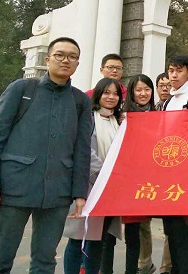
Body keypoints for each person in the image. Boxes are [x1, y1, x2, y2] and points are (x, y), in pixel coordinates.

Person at [0, 37, 92, 273]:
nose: (66, 60)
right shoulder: (22, 90)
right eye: (60, 55)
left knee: (45, 262)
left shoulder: (80, 100)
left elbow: (82, 150)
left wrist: (79, 193)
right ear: (48, 59)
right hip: (14, 189)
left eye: (72, 57)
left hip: (57, 193)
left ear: (77, 63)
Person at [63, 78, 124, 274]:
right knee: (77, 239)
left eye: (115, 94)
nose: (111, 97)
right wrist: (104, 174)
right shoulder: (87, 118)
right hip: (88, 187)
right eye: (106, 92)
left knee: (98, 240)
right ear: (98, 94)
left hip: (110, 190)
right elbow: (84, 151)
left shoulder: (119, 122)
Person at [102, 74, 156, 274]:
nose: (143, 93)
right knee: (108, 234)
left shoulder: (158, 115)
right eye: (138, 90)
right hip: (117, 182)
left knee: (134, 235)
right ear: (131, 92)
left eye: (147, 89)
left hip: (139, 184)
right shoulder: (120, 116)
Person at [162, 55, 188, 274]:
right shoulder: (167, 102)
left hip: (186, 174)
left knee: (182, 228)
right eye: (171, 70)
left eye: (179, 71)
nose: (174, 75)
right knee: (170, 228)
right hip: (168, 171)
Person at [137, 72, 175, 274]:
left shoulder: (178, 107)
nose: (165, 88)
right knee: (142, 221)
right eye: (161, 85)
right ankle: (145, 263)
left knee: (171, 224)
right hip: (146, 173)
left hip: (170, 174)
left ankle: (166, 266)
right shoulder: (148, 111)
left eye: (169, 85)